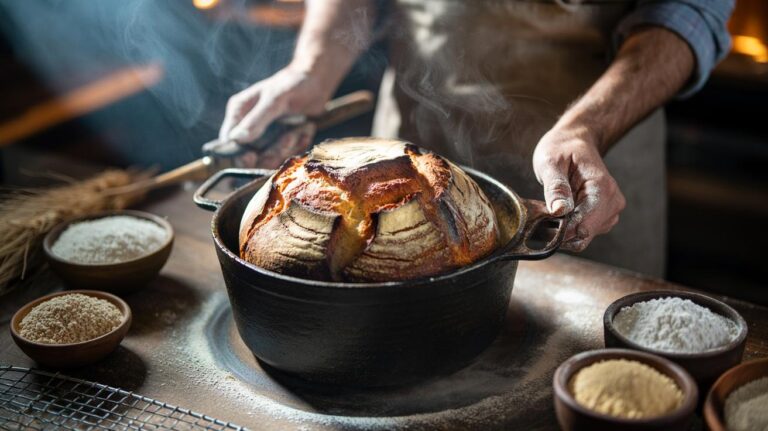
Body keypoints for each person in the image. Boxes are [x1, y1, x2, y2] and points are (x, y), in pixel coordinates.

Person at [218, 0, 734, 277]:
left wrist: (588, 126)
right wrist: (313, 69)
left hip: (592, 161)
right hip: (402, 150)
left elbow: (690, 10)